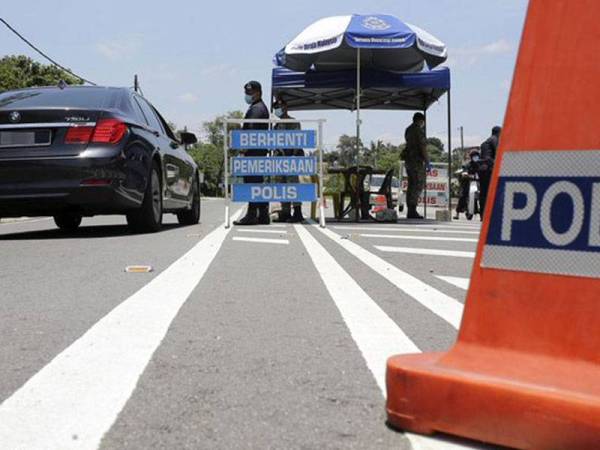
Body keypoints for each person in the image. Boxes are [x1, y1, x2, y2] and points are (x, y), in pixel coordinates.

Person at [234, 81, 270, 226]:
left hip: (253, 152)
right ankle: (263, 214)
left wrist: (243, 150)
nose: (248, 96)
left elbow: (250, 132)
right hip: (259, 152)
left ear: (258, 93)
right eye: (247, 93)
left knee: (252, 183)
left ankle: (252, 215)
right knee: (257, 182)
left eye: (250, 93)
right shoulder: (261, 107)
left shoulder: (256, 109)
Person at [272, 97, 305, 223]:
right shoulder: (276, 125)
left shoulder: (293, 122)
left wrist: (293, 155)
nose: (277, 110)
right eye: (275, 108)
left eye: (279, 107)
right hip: (279, 161)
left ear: (286, 107)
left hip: (291, 159)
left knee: (292, 186)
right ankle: (285, 212)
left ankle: (297, 212)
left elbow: (297, 140)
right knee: (281, 186)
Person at [403, 112, 430, 219]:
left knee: (411, 185)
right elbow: (422, 147)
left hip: (408, 160)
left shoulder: (408, 129)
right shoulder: (418, 130)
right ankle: (412, 210)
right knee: (417, 184)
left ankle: (410, 209)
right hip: (416, 161)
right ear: (421, 120)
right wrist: (427, 161)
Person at [478, 126, 501, 216]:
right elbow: (498, 151)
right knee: (493, 191)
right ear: (499, 133)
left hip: (482, 169)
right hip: (490, 168)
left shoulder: (485, 142)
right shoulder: (495, 139)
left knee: (483, 193)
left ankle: (482, 214)